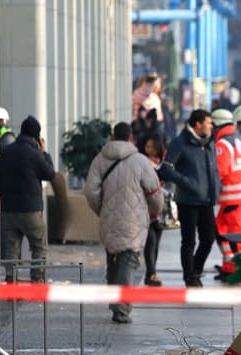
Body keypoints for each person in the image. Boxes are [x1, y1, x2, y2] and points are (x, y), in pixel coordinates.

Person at [84, 122, 164, 323]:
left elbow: (90, 191)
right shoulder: (140, 161)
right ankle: (122, 309)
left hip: (109, 219)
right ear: (130, 138)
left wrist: (102, 210)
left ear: (113, 136)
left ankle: (115, 301)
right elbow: (155, 192)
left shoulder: (100, 160)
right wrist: (154, 212)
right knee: (127, 262)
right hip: (134, 221)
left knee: (113, 259)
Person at [158, 109, 220, 287]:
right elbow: (166, 168)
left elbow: (213, 168)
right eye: (208, 123)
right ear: (198, 124)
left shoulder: (209, 143)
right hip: (187, 200)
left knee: (209, 238)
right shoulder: (180, 142)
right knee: (189, 240)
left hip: (207, 199)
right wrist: (187, 182)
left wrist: (217, 186)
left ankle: (196, 269)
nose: (211, 126)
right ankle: (190, 277)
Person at [0, 114, 56, 283]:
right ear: (36, 137)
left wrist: (5, 196)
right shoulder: (35, 154)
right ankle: (37, 280)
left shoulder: (6, 152)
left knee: (12, 247)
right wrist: (45, 152)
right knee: (39, 245)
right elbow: (50, 173)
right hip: (31, 210)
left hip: (9, 210)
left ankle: (11, 279)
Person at [212, 108, 241, 278]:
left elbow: (221, 171)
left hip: (230, 193)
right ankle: (230, 265)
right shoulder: (240, 140)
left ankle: (240, 266)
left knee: (234, 231)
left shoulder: (222, 145)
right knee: (221, 227)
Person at [140, 132, 168, 285]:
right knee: (150, 240)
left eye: (151, 146)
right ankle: (151, 273)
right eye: (147, 146)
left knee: (156, 241)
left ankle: (152, 271)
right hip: (148, 207)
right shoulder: (144, 163)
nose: (148, 149)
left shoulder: (164, 163)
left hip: (161, 209)